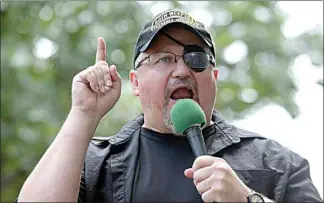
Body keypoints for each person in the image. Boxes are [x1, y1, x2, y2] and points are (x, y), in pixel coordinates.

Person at [17, 9, 322, 203]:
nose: (182, 71)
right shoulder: (95, 165)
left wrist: (248, 200)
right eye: (164, 58)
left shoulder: (277, 163)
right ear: (135, 82)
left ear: (213, 78)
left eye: (196, 58)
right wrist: (84, 114)